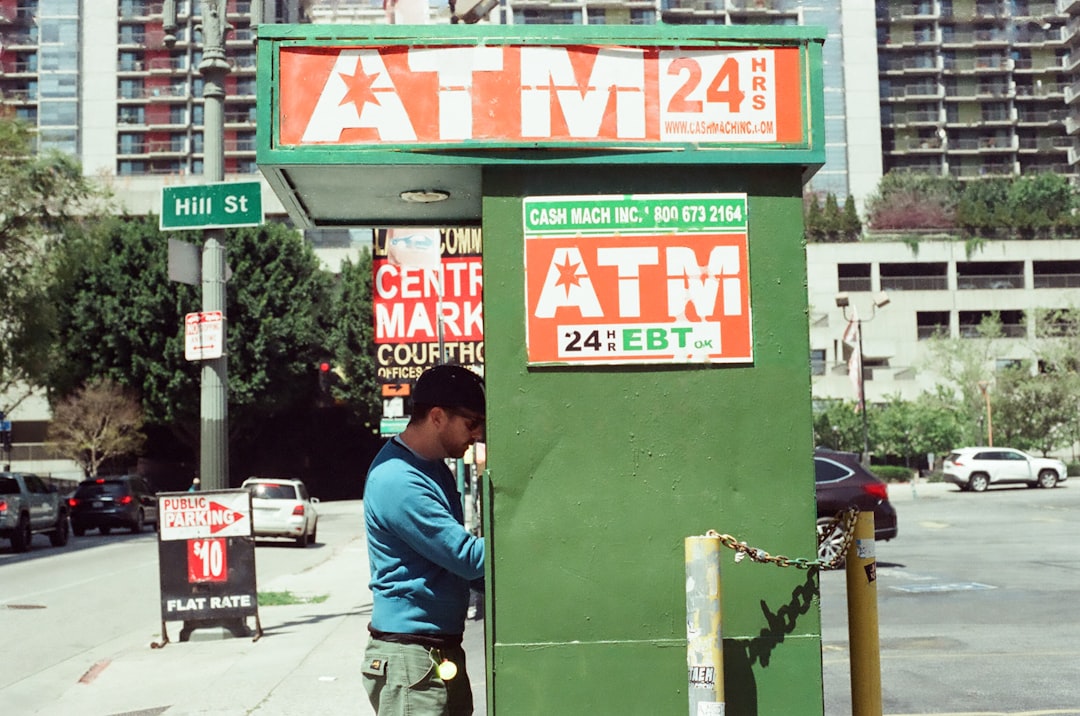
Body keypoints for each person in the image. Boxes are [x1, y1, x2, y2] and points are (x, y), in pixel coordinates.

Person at [362, 364, 486, 716]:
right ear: (437, 417)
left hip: (433, 652)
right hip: (411, 659)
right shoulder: (398, 479)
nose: (477, 435)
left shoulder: (431, 469)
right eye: (471, 423)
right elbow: (466, 558)